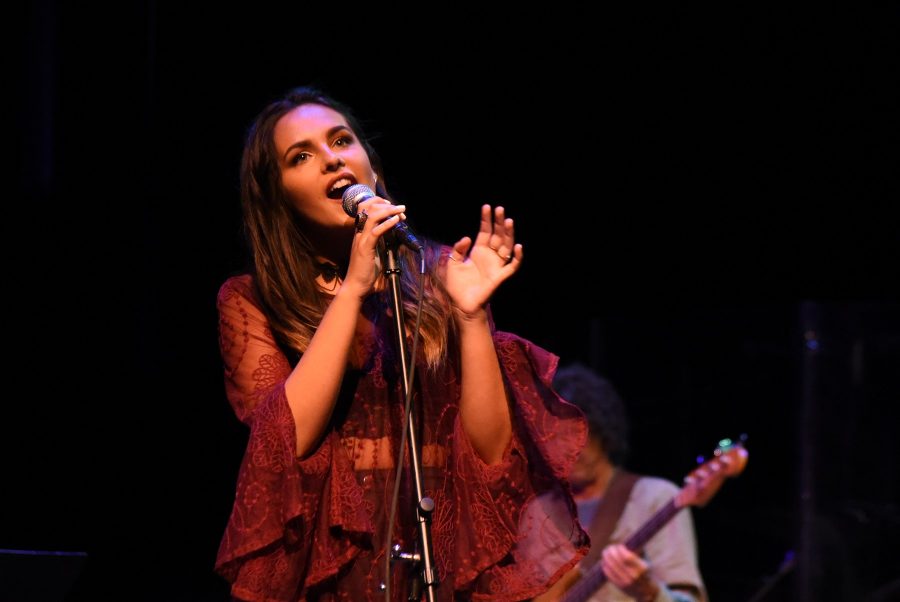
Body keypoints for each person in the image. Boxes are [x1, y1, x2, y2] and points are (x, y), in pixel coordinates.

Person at [213, 86, 590, 601]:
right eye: (301, 156)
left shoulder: (438, 277)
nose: (331, 160)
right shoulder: (252, 297)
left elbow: (491, 453)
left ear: (372, 170)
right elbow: (284, 440)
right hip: (329, 576)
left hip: (437, 565)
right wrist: (353, 288)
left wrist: (471, 315)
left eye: (341, 140)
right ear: (276, 196)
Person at [535, 363, 706, 602]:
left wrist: (650, 592)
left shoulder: (654, 498)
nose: (569, 450)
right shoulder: (534, 515)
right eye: (555, 439)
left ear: (602, 431)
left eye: (577, 434)